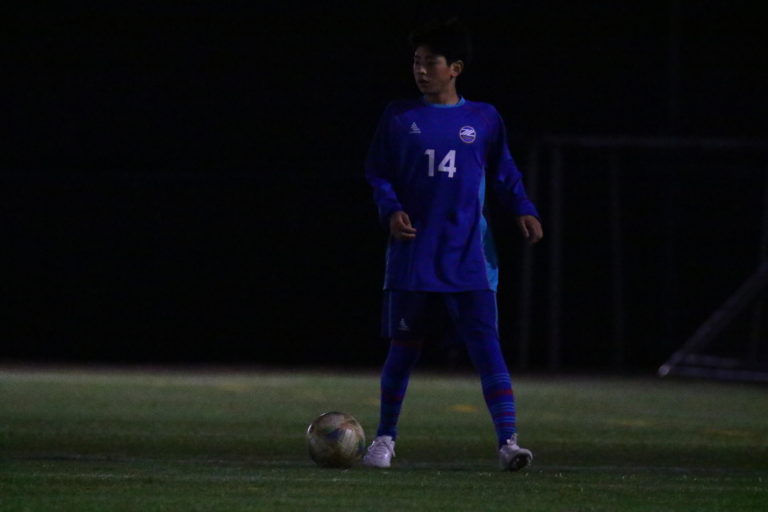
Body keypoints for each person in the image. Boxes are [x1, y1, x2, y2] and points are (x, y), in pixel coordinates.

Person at [362, 18, 543, 471]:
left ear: (455, 68)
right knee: (403, 349)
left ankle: (508, 443)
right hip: (413, 256)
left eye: (430, 62)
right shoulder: (398, 116)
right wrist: (391, 209)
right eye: (416, 62)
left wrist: (523, 208)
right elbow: (378, 171)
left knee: (486, 348)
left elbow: (504, 171)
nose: (420, 70)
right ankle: (384, 439)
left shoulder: (483, 118)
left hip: (470, 257)